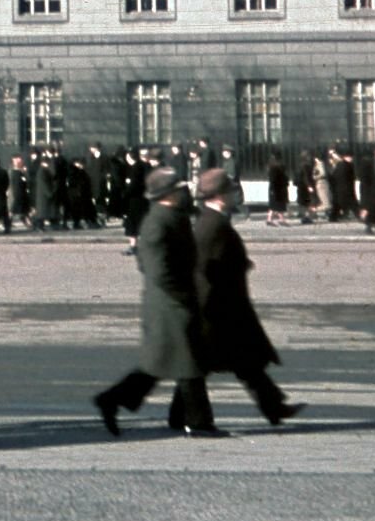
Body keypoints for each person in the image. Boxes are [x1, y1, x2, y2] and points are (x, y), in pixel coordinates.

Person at [93, 167, 222, 438]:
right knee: (189, 364)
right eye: (179, 189)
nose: (184, 192)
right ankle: (197, 422)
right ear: (168, 194)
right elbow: (155, 268)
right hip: (170, 305)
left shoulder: (174, 217)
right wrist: (184, 294)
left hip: (175, 302)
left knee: (164, 364)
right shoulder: (157, 223)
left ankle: (115, 400)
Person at [189, 169, 305, 427]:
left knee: (245, 363)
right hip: (219, 310)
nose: (235, 194)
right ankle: (186, 417)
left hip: (226, 308)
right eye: (231, 190)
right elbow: (206, 271)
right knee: (199, 368)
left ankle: (274, 408)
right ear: (219, 196)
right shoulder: (213, 225)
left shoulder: (213, 220)